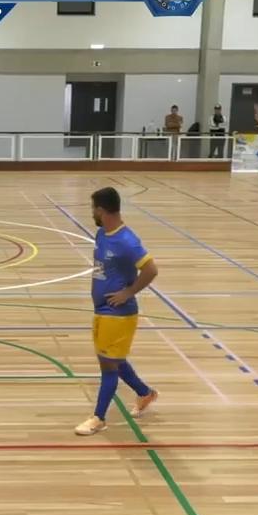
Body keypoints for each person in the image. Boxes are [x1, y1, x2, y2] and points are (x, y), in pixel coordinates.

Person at [75, 187, 160, 436]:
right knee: (114, 359)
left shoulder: (127, 241)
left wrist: (128, 292)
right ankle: (145, 393)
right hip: (101, 310)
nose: (92, 213)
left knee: (108, 365)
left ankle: (99, 418)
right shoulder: (102, 234)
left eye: (93, 208)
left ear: (102, 210)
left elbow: (151, 269)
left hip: (119, 313)